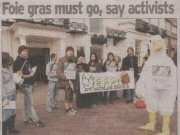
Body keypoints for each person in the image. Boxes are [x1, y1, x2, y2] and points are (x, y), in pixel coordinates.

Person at [136, 35, 177, 135]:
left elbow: (175, 75)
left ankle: (165, 128)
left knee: (166, 104)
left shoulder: (168, 61)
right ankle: (151, 123)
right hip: (152, 87)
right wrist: (140, 88)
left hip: (166, 89)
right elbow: (144, 75)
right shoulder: (150, 61)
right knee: (151, 102)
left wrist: (172, 86)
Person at [13, 45, 45, 127]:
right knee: (31, 103)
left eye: (27, 51)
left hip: (29, 83)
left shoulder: (25, 60)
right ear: (20, 52)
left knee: (26, 102)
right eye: (24, 51)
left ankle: (26, 118)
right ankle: (36, 120)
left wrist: (32, 77)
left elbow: (28, 70)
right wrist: (30, 75)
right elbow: (18, 76)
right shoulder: (17, 61)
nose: (26, 52)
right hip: (25, 84)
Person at [2, 52, 20, 135]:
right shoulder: (1, 70)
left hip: (12, 93)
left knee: (12, 111)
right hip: (7, 95)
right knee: (6, 113)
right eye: (8, 59)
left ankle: (11, 129)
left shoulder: (8, 67)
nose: (10, 60)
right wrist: (4, 97)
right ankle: (4, 132)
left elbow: (13, 78)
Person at [56, 46, 77, 115]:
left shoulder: (74, 59)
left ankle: (70, 108)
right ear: (66, 51)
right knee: (67, 94)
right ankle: (67, 109)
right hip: (66, 80)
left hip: (72, 79)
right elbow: (58, 72)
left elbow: (74, 69)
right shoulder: (62, 60)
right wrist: (65, 77)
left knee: (71, 93)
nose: (71, 52)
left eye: (72, 51)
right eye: (69, 51)